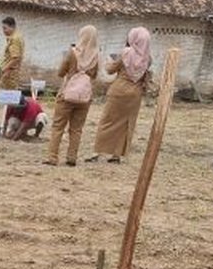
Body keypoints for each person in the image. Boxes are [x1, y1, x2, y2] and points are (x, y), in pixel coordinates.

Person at [88, 27, 152, 164]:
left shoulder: (126, 53)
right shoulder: (148, 58)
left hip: (119, 91)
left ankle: (97, 152)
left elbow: (110, 70)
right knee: (125, 124)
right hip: (135, 95)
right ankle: (116, 155)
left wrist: (108, 62)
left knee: (107, 120)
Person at [44, 25, 100, 166]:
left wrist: (73, 72)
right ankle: (71, 157)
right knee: (76, 129)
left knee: (58, 126)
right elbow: (94, 75)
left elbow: (60, 72)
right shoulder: (96, 55)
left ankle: (52, 157)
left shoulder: (72, 53)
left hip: (67, 94)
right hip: (84, 97)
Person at [0, 16, 25, 91]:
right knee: (9, 97)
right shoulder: (18, 37)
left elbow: (16, 58)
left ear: (12, 27)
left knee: (6, 96)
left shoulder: (14, 39)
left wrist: (3, 70)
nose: (3, 31)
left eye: (5, 28)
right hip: (12, 72)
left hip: (10, 73)